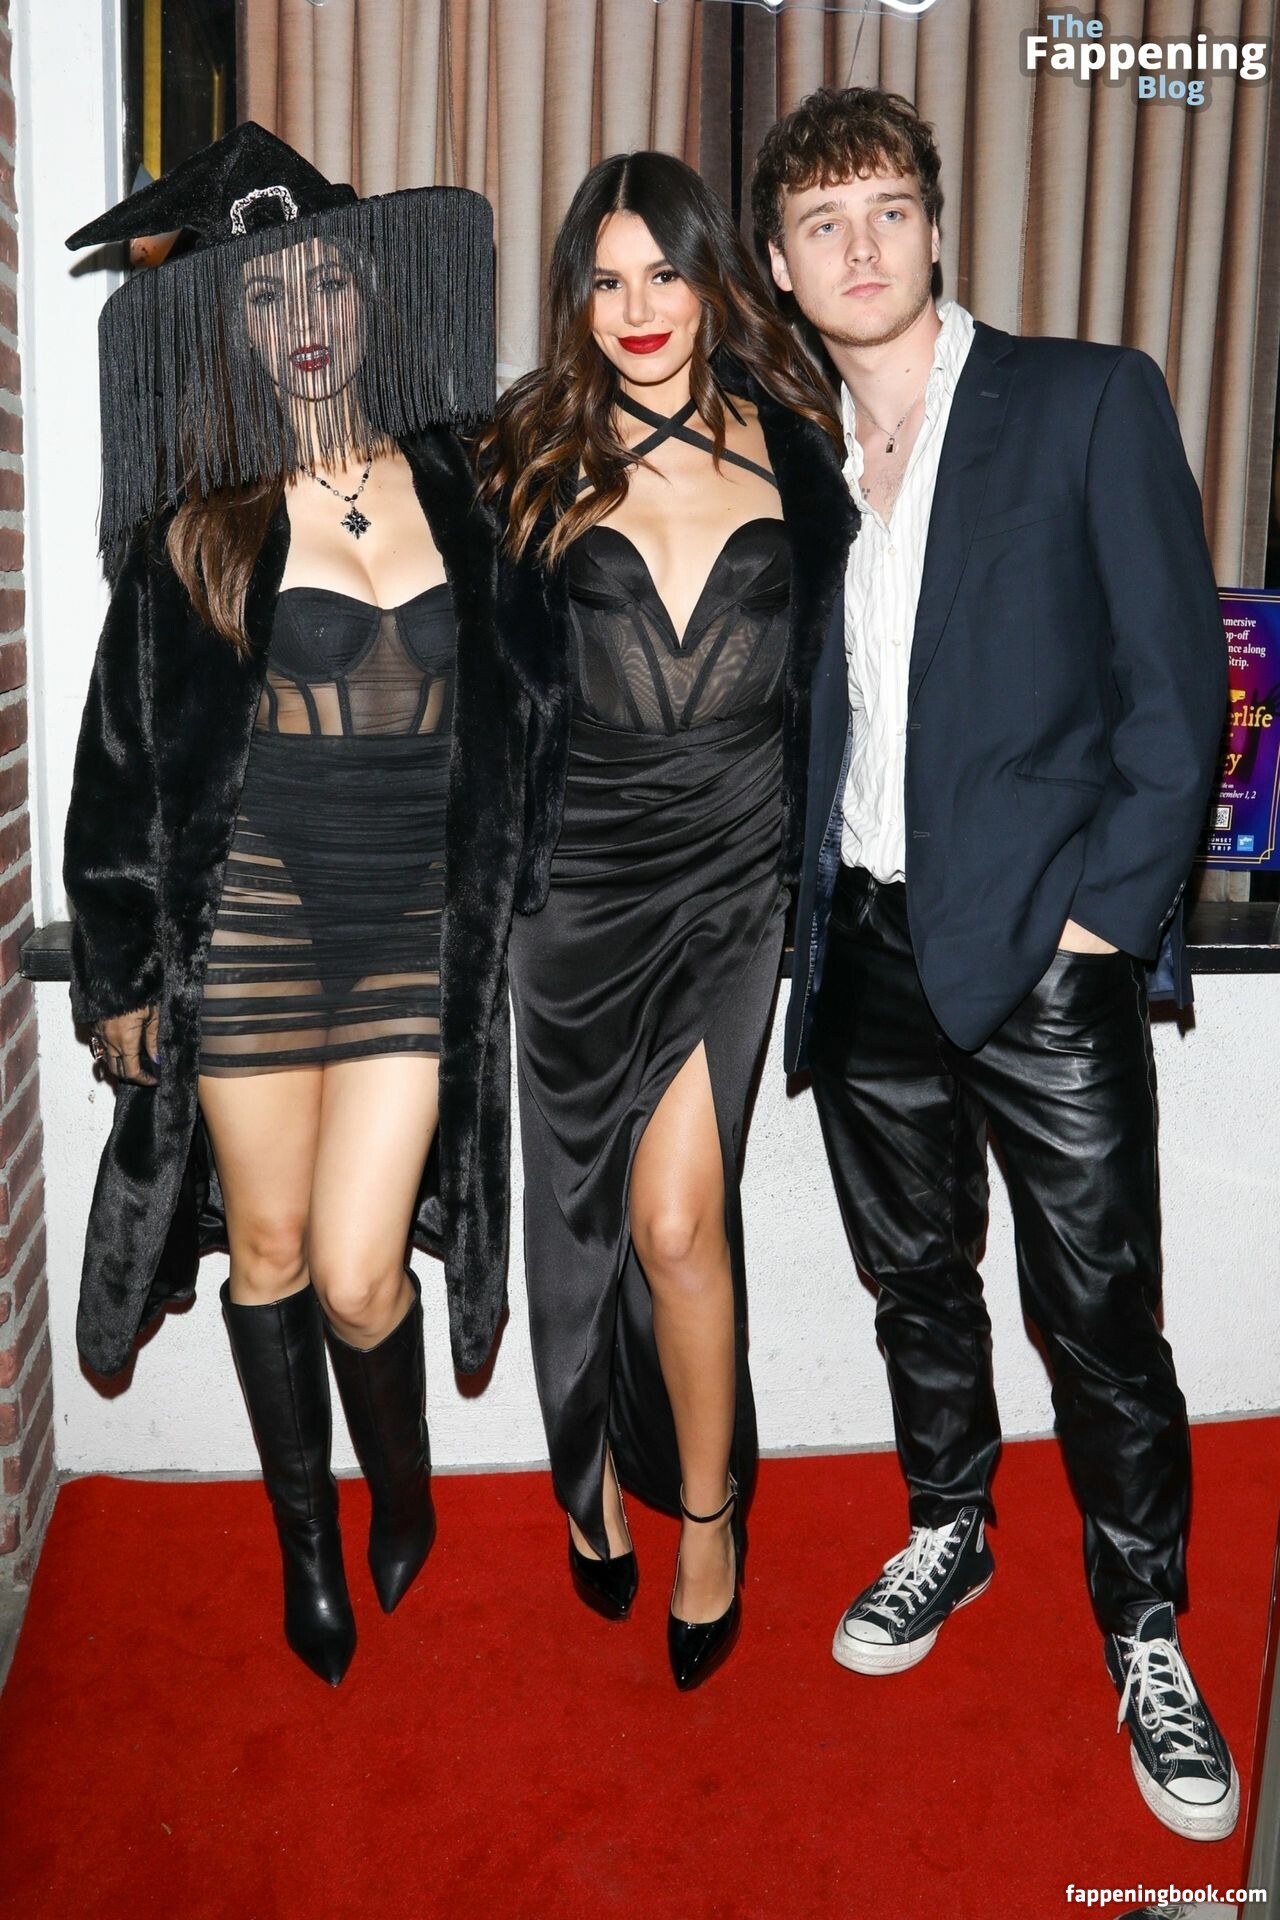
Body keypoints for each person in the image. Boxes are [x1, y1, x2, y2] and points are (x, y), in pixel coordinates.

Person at [752, 86, 1236, 1838]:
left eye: (888, 209)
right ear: (783, 266)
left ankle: (1147, 1630)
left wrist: (1105, 920)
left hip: (1045, 945)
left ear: (937, 227)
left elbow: (1181, 691)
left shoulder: (1086, 398)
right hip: (865, 939)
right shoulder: (791, 458)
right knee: (916, 1281)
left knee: (1100, 1315)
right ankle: (949, 1527)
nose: (861, 247)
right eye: (823, 224)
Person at [63, 124, 522, 1686]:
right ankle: (307, 1543)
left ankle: (404, 1482)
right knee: (265, 1247)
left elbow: (535, 696)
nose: (303, 313)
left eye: (326, 278)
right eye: (267, 294)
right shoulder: (200, 517)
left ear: (368, 294)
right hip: (254, 923)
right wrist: (121, 969)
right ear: (236, 327)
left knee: (360, 1268)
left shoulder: (462, 478)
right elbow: (121, 761)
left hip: (410, 932)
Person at [480, 152, 854, 1690]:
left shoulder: (802, 450)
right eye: (606, 278)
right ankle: (588, 1477)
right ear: (578, 296)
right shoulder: (526, 456)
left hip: (735, 881)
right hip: (576, 894)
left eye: (666, 273)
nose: (638, 307)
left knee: (677, 1220)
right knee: (579, 1224)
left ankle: (709, 1516)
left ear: (715, 281)